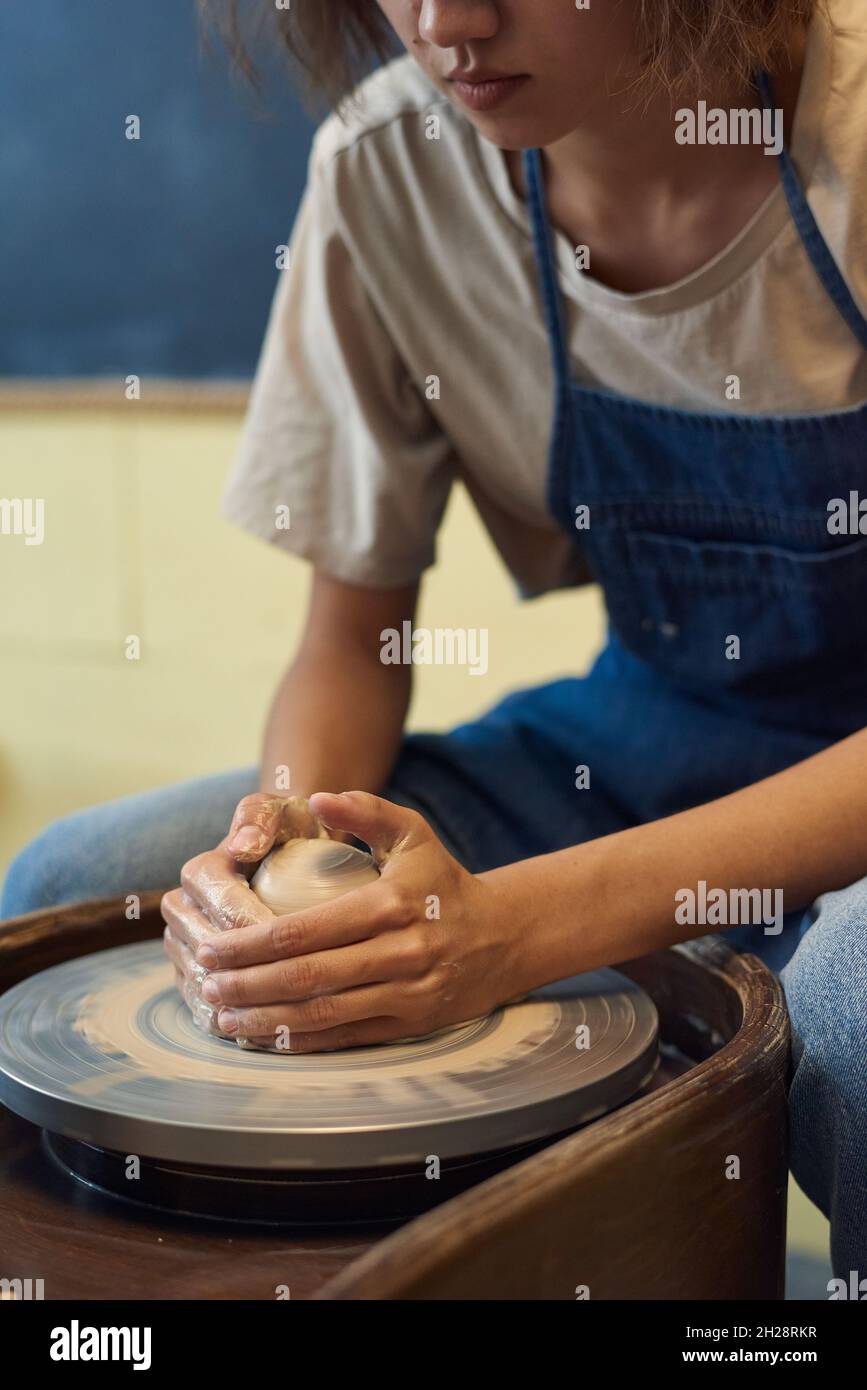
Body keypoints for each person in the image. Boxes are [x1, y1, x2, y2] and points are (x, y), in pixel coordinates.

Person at [3, 0, 865, 1275]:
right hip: (644, 737)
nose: (447, 23)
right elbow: (352, 644)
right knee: (92, 875)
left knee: (857, 1006)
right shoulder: (389, 166)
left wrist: (515, 929)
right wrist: (280, 856)